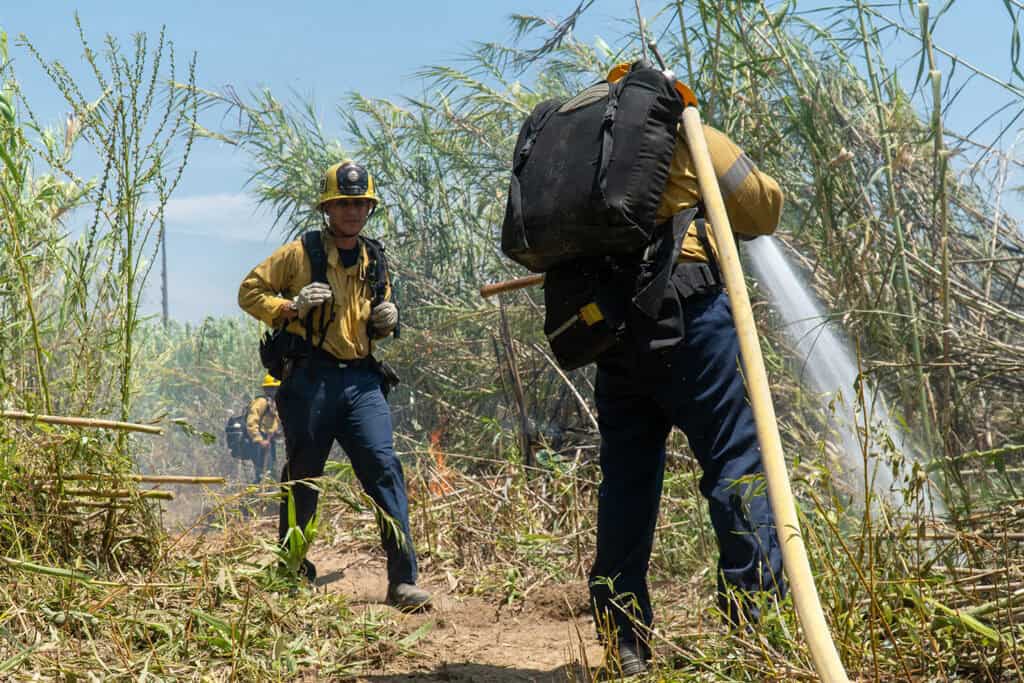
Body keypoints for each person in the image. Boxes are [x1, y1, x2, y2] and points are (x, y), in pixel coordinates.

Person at [587, 72, 786, 676]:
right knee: (735, 464)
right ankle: (755, 630)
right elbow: (763, 205)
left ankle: (625, 639)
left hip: (612, 329)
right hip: (687, 312)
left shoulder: (585, 145)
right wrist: (695, 123)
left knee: (626, 480)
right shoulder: (679, 128)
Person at [237, 160, 430, 611]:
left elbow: (377, 311)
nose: (352, 211)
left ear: (369, 208)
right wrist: (290, 306)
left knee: (384, 469)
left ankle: (402, 581)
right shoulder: (300, 253)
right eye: (344, 203)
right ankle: (291, 569)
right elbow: (249, 292)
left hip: (362, 381)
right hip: (310, 380)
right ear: (329, 207)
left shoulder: (373, 257)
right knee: (303, 474)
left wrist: (388, 320)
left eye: (360, 203)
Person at [246, 374, 282, 483]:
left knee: (270, 472)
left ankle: (264, 496)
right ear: (266, 389)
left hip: (269, 441)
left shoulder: (273, 404)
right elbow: (251, 422)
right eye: (271, 388)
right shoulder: (261, 402)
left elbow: (274, 424)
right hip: (260, 443)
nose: (274, 391)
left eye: (276, 388)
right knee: (263, 474)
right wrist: (259, 439)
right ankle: (253, 497)